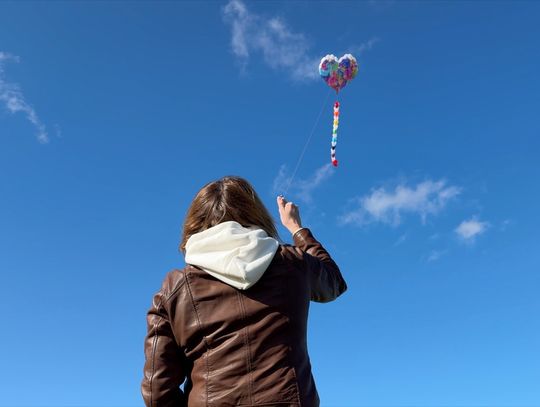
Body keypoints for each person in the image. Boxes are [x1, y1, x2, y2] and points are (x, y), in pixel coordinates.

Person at [141, 176, 347, 406]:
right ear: (255, 214)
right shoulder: (292, 262)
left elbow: (157, 389)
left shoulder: (174, 287)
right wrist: (296, 228)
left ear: (194, 223)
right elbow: (334, 282)